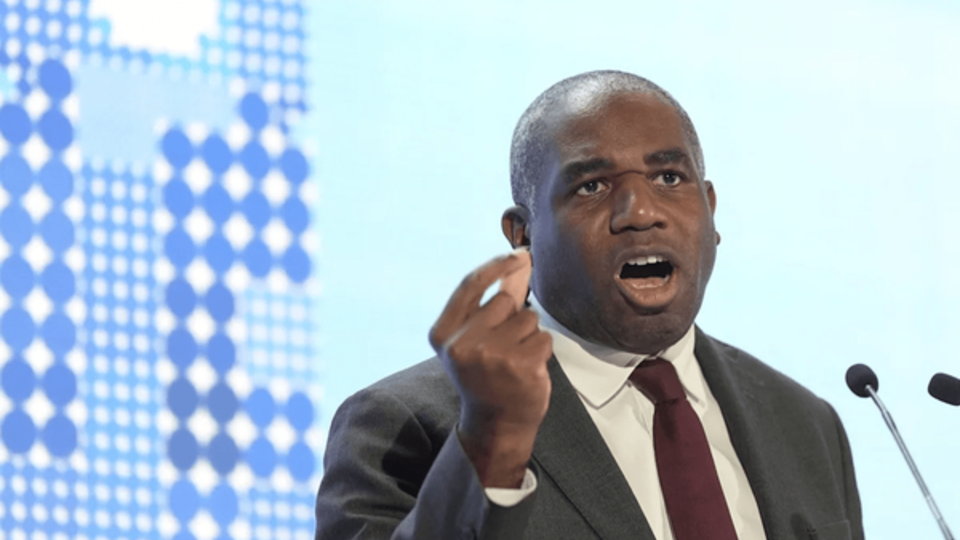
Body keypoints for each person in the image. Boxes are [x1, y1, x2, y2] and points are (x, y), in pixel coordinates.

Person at [314, 71, 864, 540]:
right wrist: (493, 444)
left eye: (669, 178)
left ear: (710, 210)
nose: (640, 212)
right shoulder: (406, 424)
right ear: (523, 235)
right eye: (592, 186)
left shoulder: (805, 423)